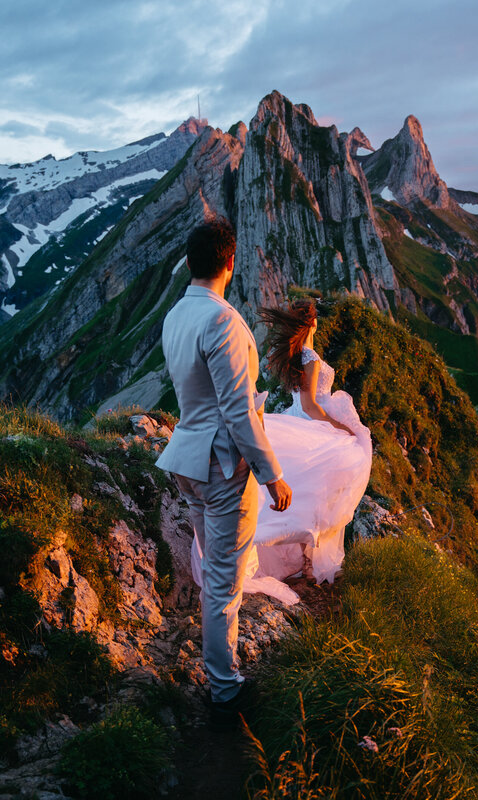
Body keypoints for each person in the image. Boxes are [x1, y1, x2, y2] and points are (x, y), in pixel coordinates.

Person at [155, 219, 292, 721]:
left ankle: (220, 675)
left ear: (191, 263)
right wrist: (271, 473)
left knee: (214, 571)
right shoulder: (224, 323)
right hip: (220, 466)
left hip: (186, 457)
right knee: (223, 583)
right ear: (230, 263)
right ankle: (225, 688)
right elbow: (237, 412)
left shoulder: (174, 317)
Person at [243, 299, 373, 603]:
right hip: (311, 424)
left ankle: (304, 559)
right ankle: (312, 564)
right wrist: (339, 427)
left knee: (309, 491)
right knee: (329, 485)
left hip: (296, 421)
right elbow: (310, 405)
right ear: (313, 323)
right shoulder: (310, 356)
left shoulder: (296, 356)